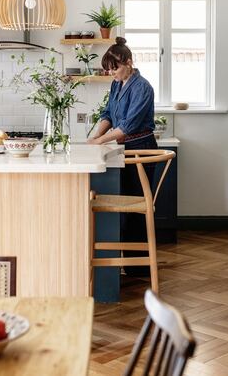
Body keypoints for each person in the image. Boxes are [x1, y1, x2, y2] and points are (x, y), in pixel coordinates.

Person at [88, 36, 157, 276]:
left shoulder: (143, 87)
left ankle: (138, 268)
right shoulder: (117, 84)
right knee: (124, 207)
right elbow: (108, 114)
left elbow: (128, 125)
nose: (111, 73)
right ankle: (125, 263)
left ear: (128, 62)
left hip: (140, 148)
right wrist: (95, 136)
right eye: (108, 70)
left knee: (135, 207)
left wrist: (99, 142)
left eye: (114, 68)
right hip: (122, 149)